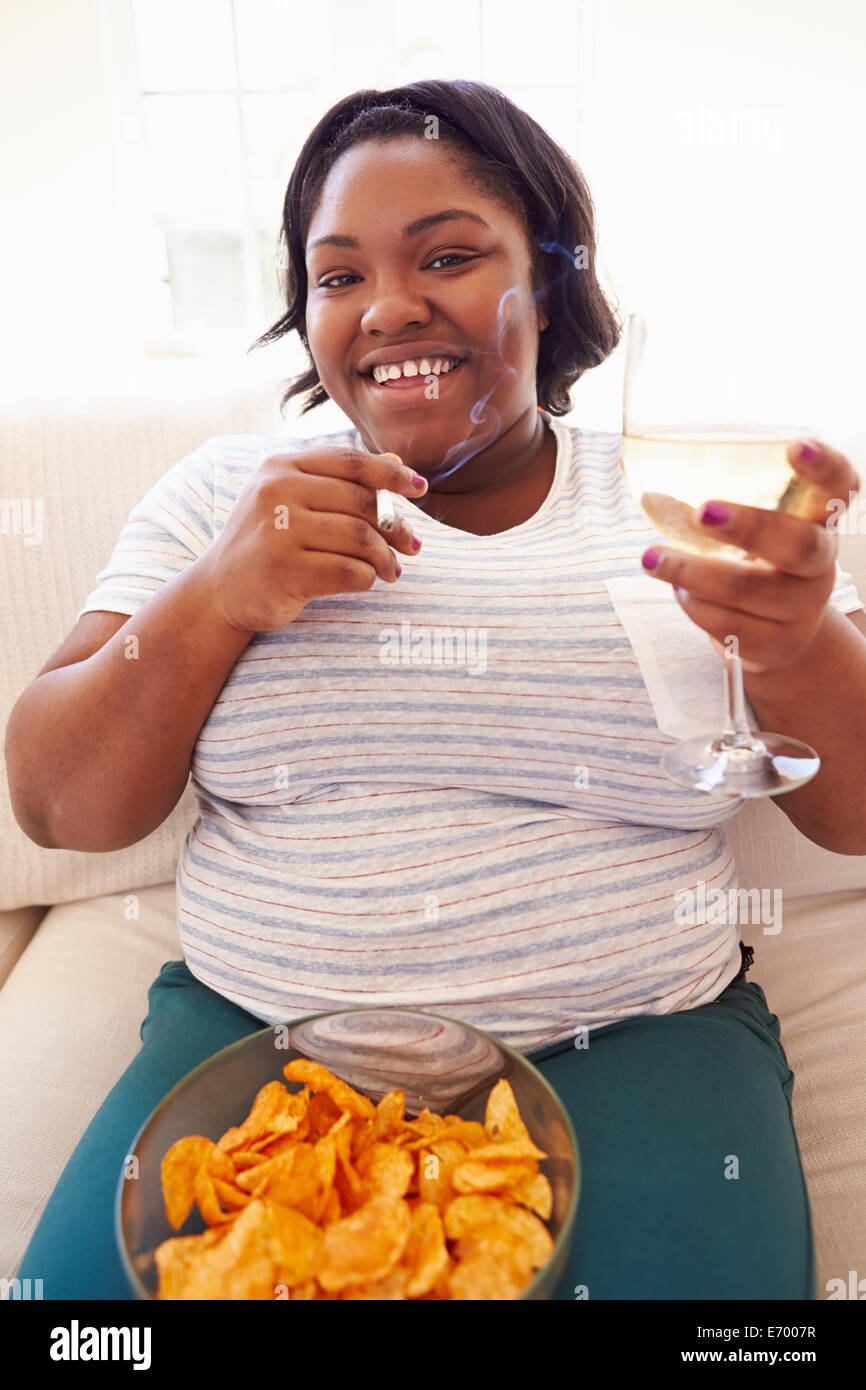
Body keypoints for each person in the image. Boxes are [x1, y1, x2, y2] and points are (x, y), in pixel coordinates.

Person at [8, 79, 866, 1301]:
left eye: (449, 255)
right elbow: (57, 806)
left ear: (552, 283)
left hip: (638, 1041)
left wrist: (795, 643)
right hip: (263, 1043)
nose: (387, 307)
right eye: (337, 274)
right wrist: (211, 601)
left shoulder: (682, 496)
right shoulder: (225, 496)